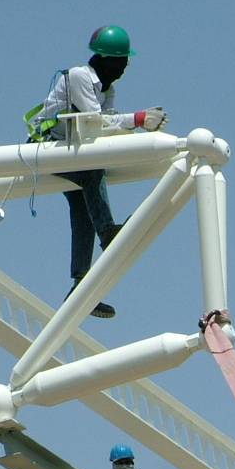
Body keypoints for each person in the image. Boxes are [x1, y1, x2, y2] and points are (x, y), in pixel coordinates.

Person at [28, 25, 168, 319]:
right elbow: (97, 122)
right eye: (121, 61)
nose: (124, 67)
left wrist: (135, 130)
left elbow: (106, 126)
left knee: (84, 211)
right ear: (107, 60)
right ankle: (108, 233)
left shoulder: (107, 89)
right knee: (92, 173)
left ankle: (80, 287)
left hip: (71, 152)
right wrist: (139, 119)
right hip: (49, 148)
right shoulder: (80, 77)